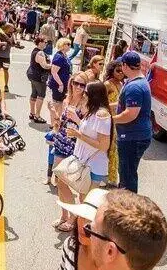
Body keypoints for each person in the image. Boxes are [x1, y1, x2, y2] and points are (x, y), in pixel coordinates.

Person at [56, 82, 113, 228]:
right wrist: (76, 121)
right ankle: (72, 217)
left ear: (93, 95)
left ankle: (79, 228)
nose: (83, 94)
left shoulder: (102, 115)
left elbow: (103, 145)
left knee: (85, 200)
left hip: (93, 165)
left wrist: (78, 135)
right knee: (61, 180)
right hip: (80, 159)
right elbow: (89, 130)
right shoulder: (91, 111)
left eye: (86, 92)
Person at [112, 51, 152, 194]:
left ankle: (128, 208)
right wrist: (107, 106)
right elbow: (125, 104)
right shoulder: (139, 81)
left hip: (132, 137)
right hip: (136, 135)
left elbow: (130, 114)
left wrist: (110, 119)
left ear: (125, 65)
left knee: (127, 175)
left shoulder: (134, 87)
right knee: (127, 172)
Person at [49, 72, 89, 204]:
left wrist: (77, 119)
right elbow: (59, 123)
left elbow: (87, 128)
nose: (78, 87)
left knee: (65, 182)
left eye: (82, 85)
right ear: (71, 83)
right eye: (75, 83)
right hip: (61, 142)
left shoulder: (85, 104)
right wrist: (53, 112)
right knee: (60, 182)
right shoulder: (67, 100)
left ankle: (71, 217)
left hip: (74, 146)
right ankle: (64, 216)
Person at [103, 60, 124, 186]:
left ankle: (112, 178)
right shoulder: (107, 84)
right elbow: (102, 103)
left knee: (115, 150)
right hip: (108, 120)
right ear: (112, 70)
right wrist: (117, 105)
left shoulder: (122, 84)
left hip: (119, 121)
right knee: (108, 148)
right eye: (117, 70)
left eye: (122, 71)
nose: (120, 73)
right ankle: (105, 177)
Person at [47, 38, 73, 123]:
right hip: (58, 84)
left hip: (65, 83)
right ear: (62, 45)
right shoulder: (59, 56)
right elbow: (54, 72)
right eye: (68, 44)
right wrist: (60, 84)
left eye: (70, 44)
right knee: (56, 104)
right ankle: (52, 124)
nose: (70, 46)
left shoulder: (64, 56)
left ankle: (57, 123)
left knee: (61, 104)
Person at [27, 36, 52, 124]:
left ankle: (32, 113)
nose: (46, 44)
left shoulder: (35, 50)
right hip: (38, 76)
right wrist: (53, 66)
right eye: (45, 42)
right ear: (40, 42)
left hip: (32, 74)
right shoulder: (40, 53)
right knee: (41, 95)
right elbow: (44, 65)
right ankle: (37, 116)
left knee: (34, 93)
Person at [0, 21, 14, 93]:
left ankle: (6, 85)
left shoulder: (11, 35)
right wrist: (1, 44)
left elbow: (13, 44)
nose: (13, 29)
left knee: (6, 71)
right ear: (7, 28)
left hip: (6, 57)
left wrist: (5, 43)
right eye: (11, 28)